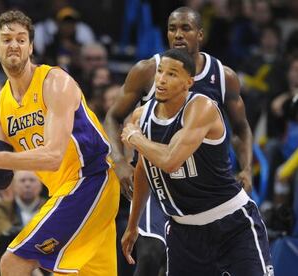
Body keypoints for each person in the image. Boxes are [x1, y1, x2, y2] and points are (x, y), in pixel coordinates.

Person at [0, 10, 119, 276]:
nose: (14, 44)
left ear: (31, 46)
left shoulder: (55, 82)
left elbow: (53, 157)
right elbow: (1, 175)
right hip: (63, 190)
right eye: (6, 39)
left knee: (13, 261)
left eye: (21, 39)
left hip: (91, 181)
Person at [104, 6, 253, 275]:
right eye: (172, 28)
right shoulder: (147, 71)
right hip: (156, 179)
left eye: (185, 28)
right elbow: (113, 117)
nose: (178, 34)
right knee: (150, 255)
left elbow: (242, 128)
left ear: (200, 34)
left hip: (203, 183)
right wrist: (119, 161)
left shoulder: (222, 77)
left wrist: (246, 167)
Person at [121, 48, 272, 276]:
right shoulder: (141, 116)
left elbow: (170, 160)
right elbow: (144, 169)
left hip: (231, 224)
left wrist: (136, 138)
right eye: (160, 72)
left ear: (188, 82)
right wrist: (133, 226)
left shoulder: (202, 108)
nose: (162, 79)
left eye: (172, 74)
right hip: (184, 232)